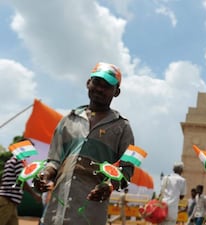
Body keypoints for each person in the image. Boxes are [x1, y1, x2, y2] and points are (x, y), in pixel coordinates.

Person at [33, 62, 135, 225]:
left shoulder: (122, 127)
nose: (100, 89)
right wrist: (44, 175)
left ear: (116, 92)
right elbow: (54, 159)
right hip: (56, 212)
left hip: (90, 214)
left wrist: (109, 186)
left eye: (107, 86)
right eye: (96, 83)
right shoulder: (68, 120)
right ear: (88, 83)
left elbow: (127, 168)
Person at [0, 139, 42, 225]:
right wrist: (35, 195)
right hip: (8, 201)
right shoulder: (18, 161)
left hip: (10, 202)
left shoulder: (11, 160)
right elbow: (21, 181)